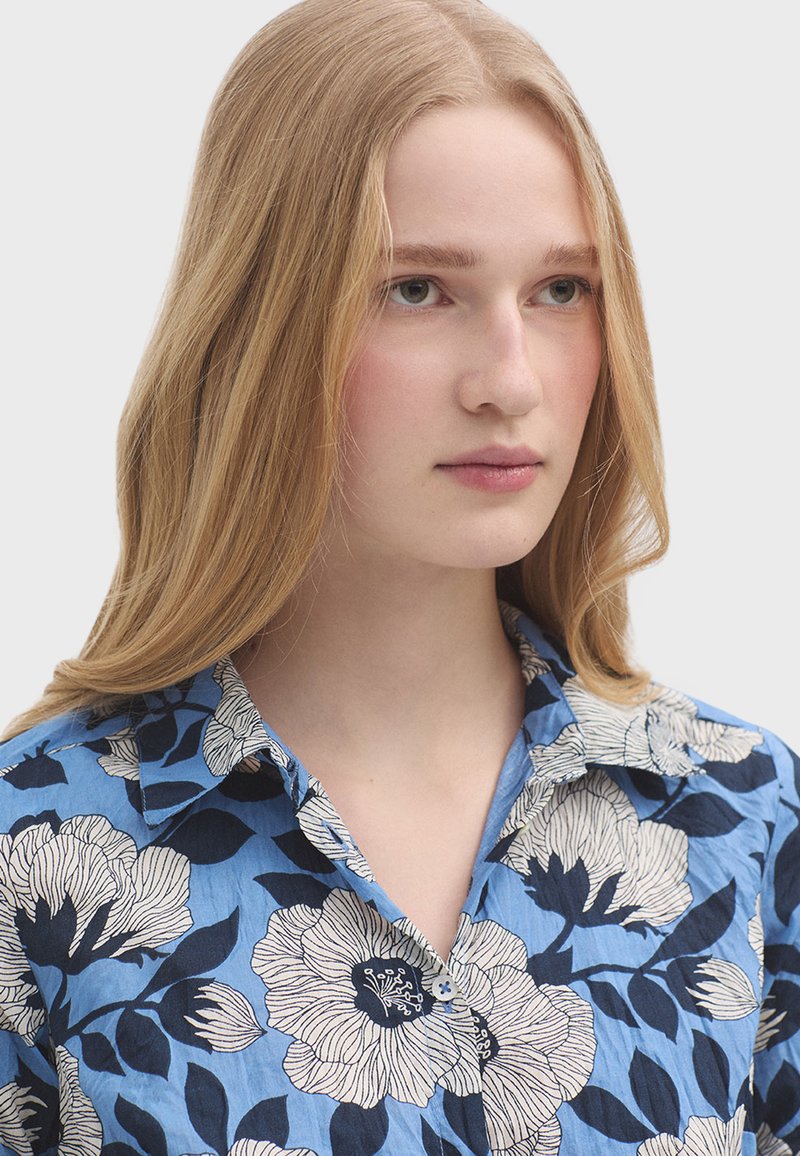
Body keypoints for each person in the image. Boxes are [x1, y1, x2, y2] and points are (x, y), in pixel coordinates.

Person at [0, 0, 797, 1153]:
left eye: (560, 290)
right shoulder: (33, 855)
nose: (508, 381)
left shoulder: (741, 819)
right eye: (416, 288)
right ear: (260, 322)